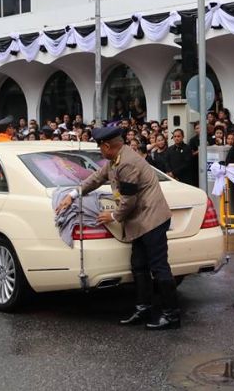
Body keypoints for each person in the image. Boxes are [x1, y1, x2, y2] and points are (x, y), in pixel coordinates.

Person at [55, 127, 179, 330]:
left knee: (158, 267)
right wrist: (72, 195)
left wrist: (112, 216)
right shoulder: (116, 160)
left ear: (107, 146)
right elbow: (96, 178)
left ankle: (171, 316)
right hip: (140, 221)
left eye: (100, 147)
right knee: (139, 265)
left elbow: (129, 200)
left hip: (152, 219)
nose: (100, 151)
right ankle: (143, 308)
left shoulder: (128, 163)